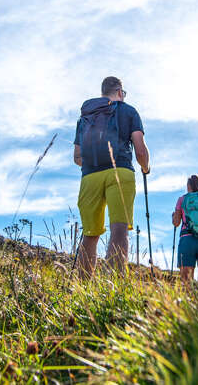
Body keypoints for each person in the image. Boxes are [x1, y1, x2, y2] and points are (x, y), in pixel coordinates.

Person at [74, 76, 150, 278]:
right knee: (119, 229)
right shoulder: (128, 111)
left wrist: (95, 163)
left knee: (90, 235)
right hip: (121, 171)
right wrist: (146, 168)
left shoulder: (85, 117)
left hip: (90, 176)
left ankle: (83, 289)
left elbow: (77, 157)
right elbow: (140, 150)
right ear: (120, 92)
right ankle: (114, 285)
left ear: (102, 93)